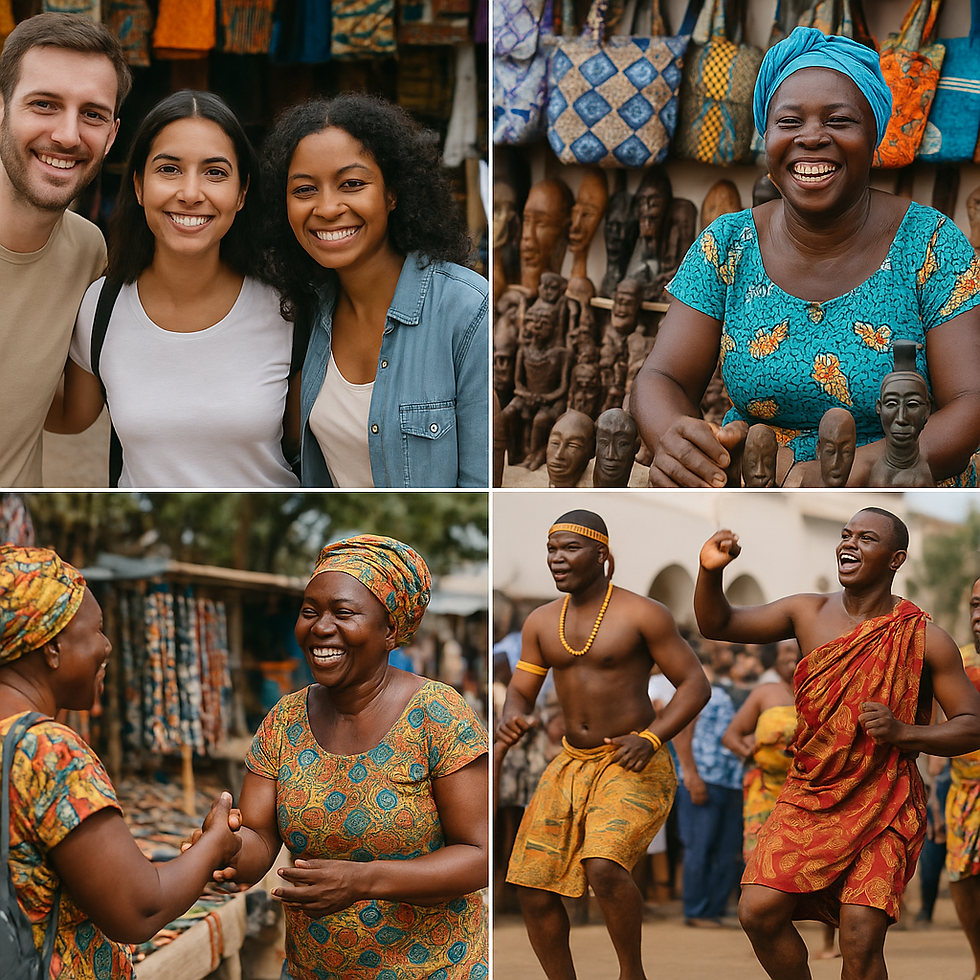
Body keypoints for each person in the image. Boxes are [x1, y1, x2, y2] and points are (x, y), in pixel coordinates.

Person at [632, 27, 980, 488]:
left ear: (874, 135)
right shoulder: (728, 244)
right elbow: (662, 376)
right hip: (755, 487)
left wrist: (854, 471)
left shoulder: (931, 244)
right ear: (767, 136)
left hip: (898, 494)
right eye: (789, 122)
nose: (811, 137)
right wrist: (680, 444)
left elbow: (970, 400)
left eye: (839, 120)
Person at [695, 507, 980, 980]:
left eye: (866, 538)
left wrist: (904, 732)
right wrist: (709, 572)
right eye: (846, 535)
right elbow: (718, 623)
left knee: (860, 938)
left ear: (896, 559)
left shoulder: (925, 638)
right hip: (809, 794)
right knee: (757, 911)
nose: (849, 543)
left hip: (884, 800)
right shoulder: (805, 611)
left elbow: (972, 725)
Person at [190, 535, 488, 979]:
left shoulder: (439, 715)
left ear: (390, 631)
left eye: (343, 613)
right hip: (313, 970)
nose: (320, 627)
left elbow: (479, 855)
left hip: (436, 969)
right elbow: (260, 840)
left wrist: (363, 880)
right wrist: (225, 848)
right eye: (310, 611)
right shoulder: (284, 720)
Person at [0, 545, 242, 978]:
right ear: (51, 647)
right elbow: (138, 909)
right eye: (97, 630)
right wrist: (215, 844)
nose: (107, 645)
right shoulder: (47, 751)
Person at [45, 90, 300, 488]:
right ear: (139, 185)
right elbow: (69, 416)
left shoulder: (287, 308)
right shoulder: (101, 306)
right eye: (169, 169)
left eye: (215, 173)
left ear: (242, 192)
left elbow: (310, 441)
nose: (191, 193)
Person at [497, 510, 710, 980]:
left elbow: (695, 684)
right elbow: (520, 692)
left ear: (601, 555)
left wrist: (651, 737)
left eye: (570, 548)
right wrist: (512, 714)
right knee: (531, 886)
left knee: (603, 865)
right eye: (552, 549)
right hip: (571, 763)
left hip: (633, 760)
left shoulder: (643, 613)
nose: (557, 558)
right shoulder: (540, 621)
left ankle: (632, 974)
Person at [262, 94, 489, 488]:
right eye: (304, 190)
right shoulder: (301, 308)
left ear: (392, 192)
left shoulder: (467, 309)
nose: (327, 208)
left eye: (351, 184)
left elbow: (480, 484)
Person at [0, 13, 131, 487]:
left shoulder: (88, 249)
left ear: (111, 135)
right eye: (44, 104)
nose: (68, 135)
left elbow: (67, 413)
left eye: (92, 114)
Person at [946, 576, 980, 978]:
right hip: (962, 788)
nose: (978, 615)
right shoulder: (956, 661)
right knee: (960, 874)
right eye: (975, 605)